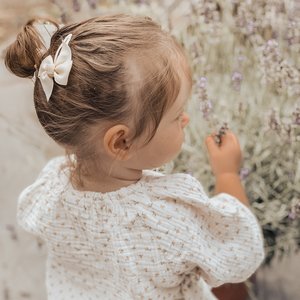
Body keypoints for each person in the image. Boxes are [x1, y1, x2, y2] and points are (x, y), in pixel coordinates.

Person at [5, 14, 264, 300]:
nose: (186, 119)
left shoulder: (50, 187)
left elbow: (29, 213)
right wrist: (226, 173)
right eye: (176, 116)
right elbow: (238, 252)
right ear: (121, 141)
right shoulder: (165, 214)